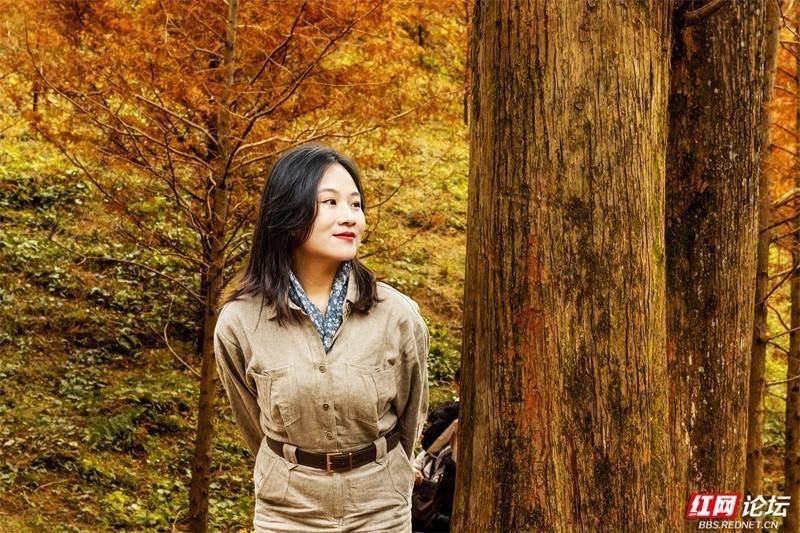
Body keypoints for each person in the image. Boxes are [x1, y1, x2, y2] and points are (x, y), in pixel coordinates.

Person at [213, 143, 430, 532]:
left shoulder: (396, 315)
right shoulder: (240, 322)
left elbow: (411, 416)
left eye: (356, 204)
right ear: (288, 210)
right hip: (287, 511)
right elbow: (252, 422)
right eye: (330, 202)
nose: (350, 217)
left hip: (380, 509)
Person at [410, 366, 459, 532]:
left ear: (458, 384)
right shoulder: (426, 457)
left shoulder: (456, 412)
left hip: (450, 493)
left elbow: (430, 444)